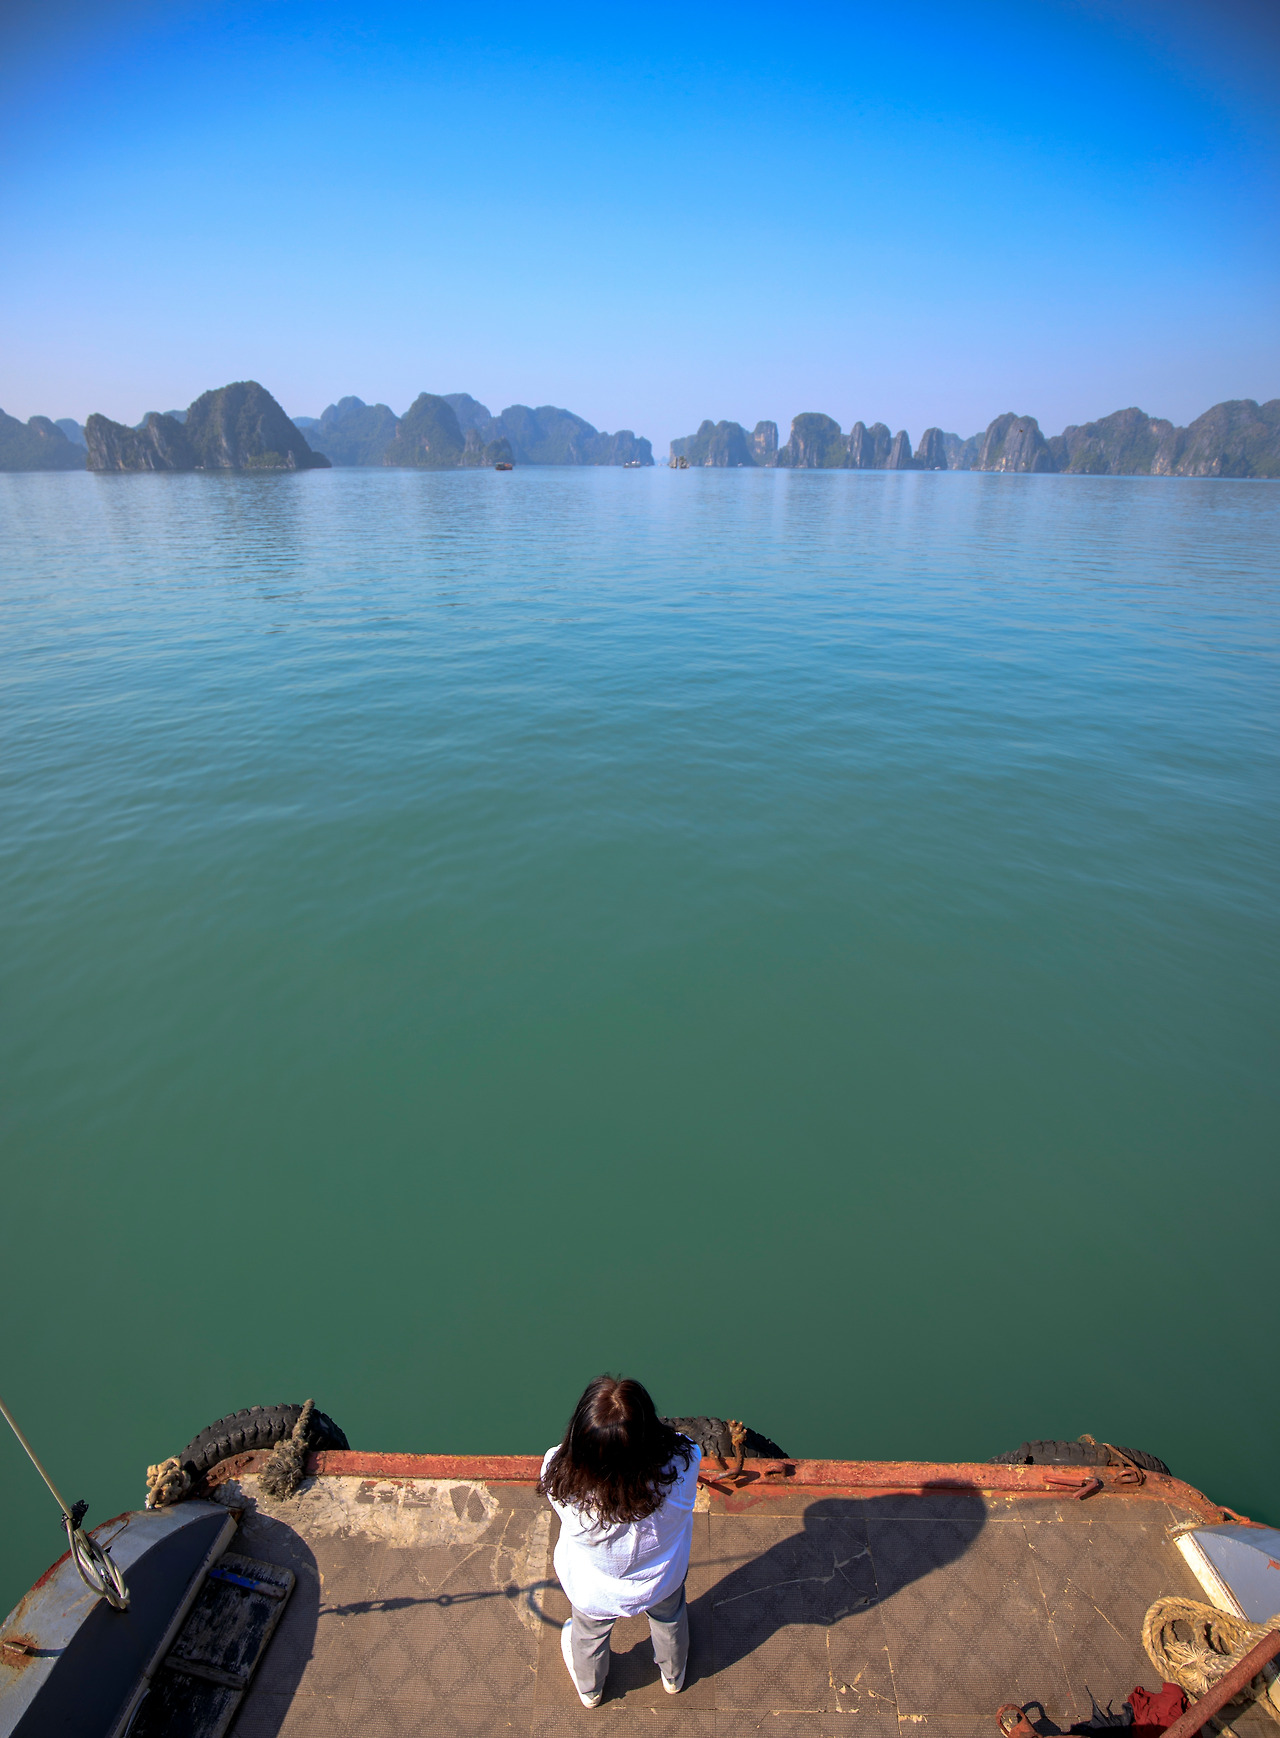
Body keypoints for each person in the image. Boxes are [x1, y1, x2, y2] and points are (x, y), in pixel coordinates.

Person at [539, 1375, 702, 1708]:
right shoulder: (685, 1464)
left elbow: (559, 1456)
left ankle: (591, 1690)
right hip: (663, 1578)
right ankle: (673, 1675)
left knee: (588, 1636)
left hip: (595, 1590)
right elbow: (681, 1444)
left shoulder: (561, 1483)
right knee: (670, 1620)